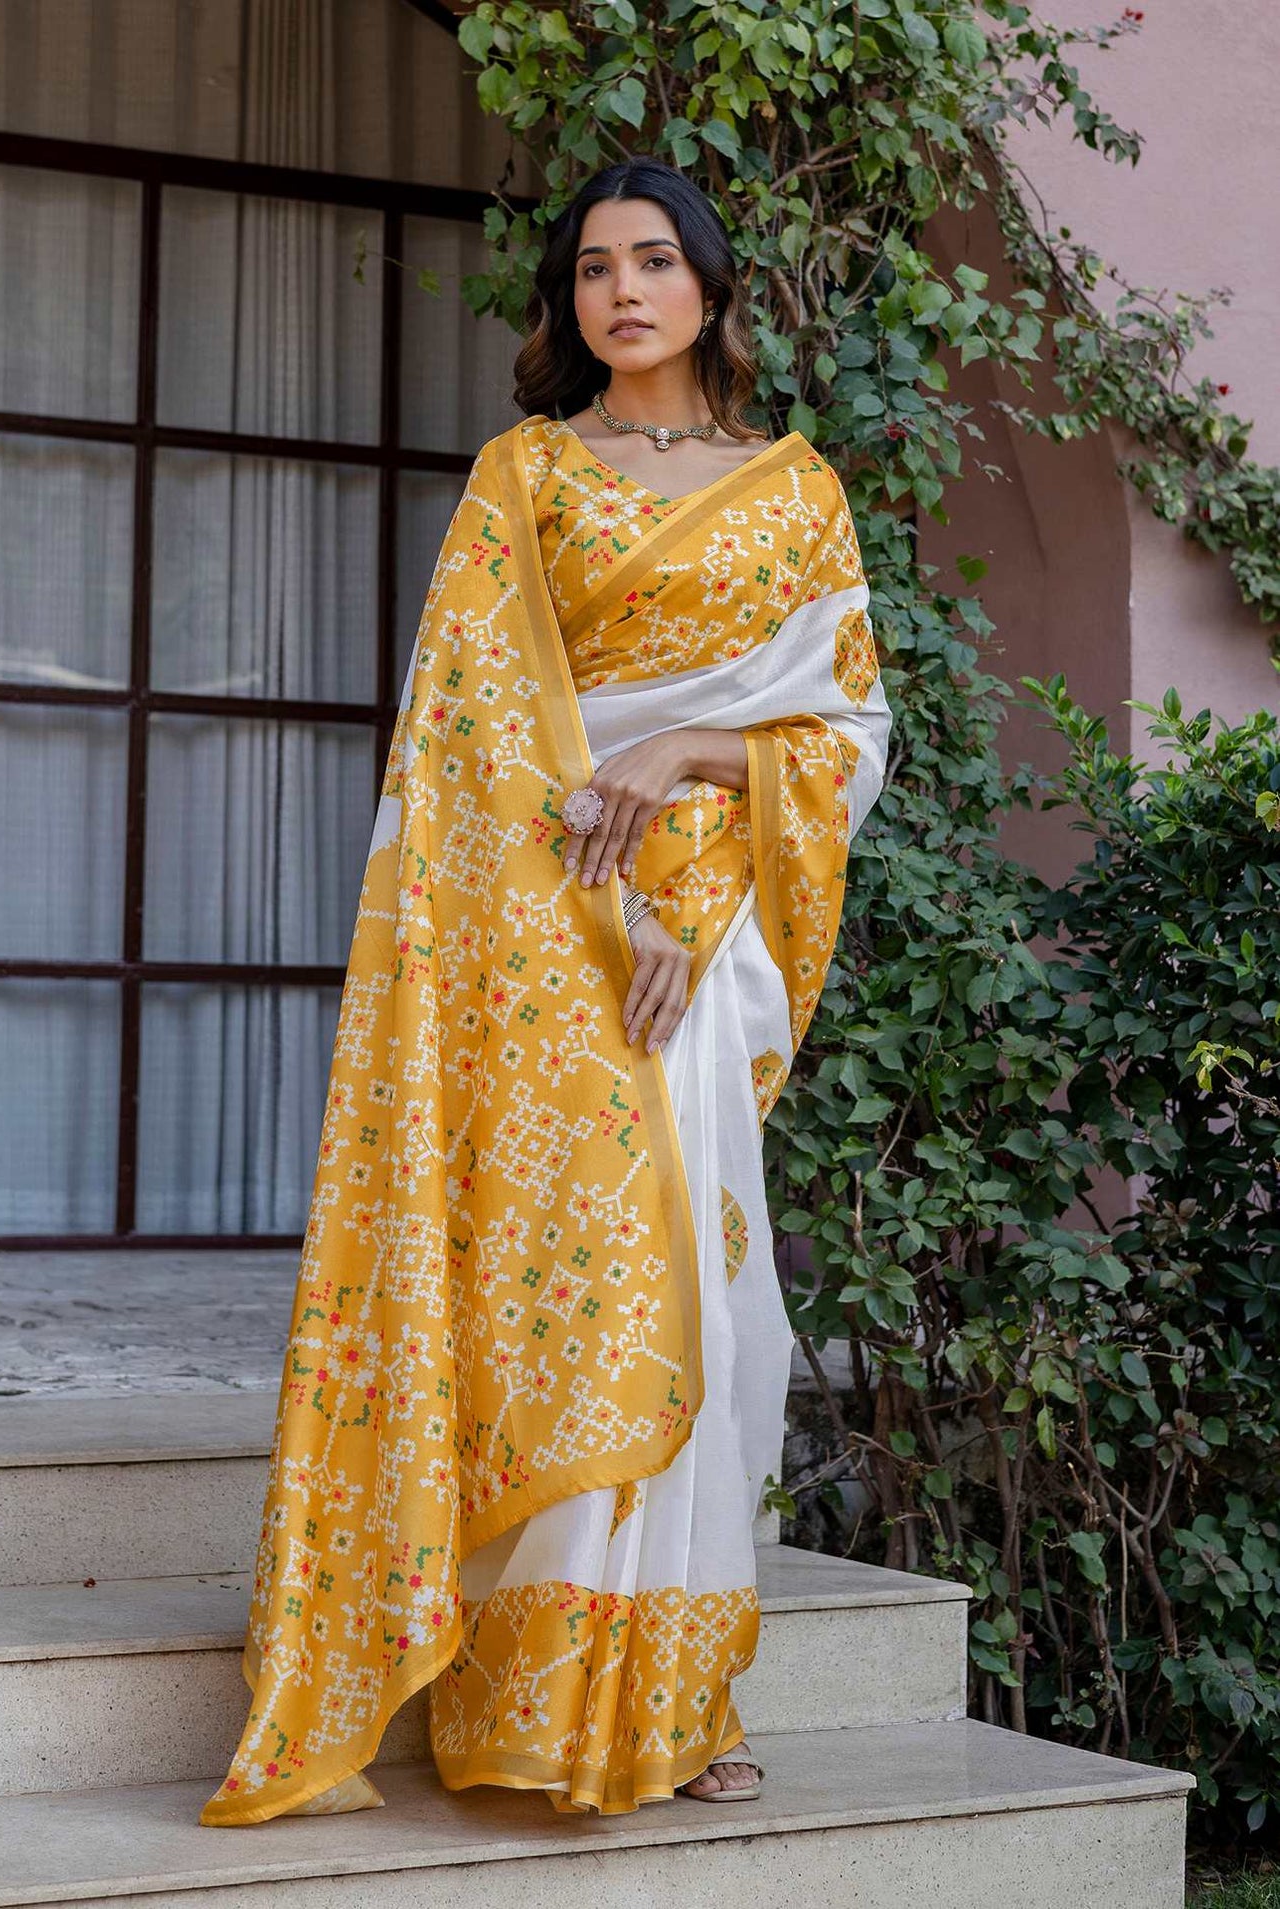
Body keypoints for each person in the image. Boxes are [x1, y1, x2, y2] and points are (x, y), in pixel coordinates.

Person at [199, 156, 891, 1826]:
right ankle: (523, 1682)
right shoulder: (527, 475)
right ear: (568, 303)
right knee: (571, 1294)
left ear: (714, 289)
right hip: (554, 941)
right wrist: (605, 904)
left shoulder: (798, 493)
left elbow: (850, 738)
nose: (623, 291)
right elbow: (471, 740)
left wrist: (680, 747)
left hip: (713, 934)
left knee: (708, 1314)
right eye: (593, 268)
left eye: (656, 261)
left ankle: (678, 1693)